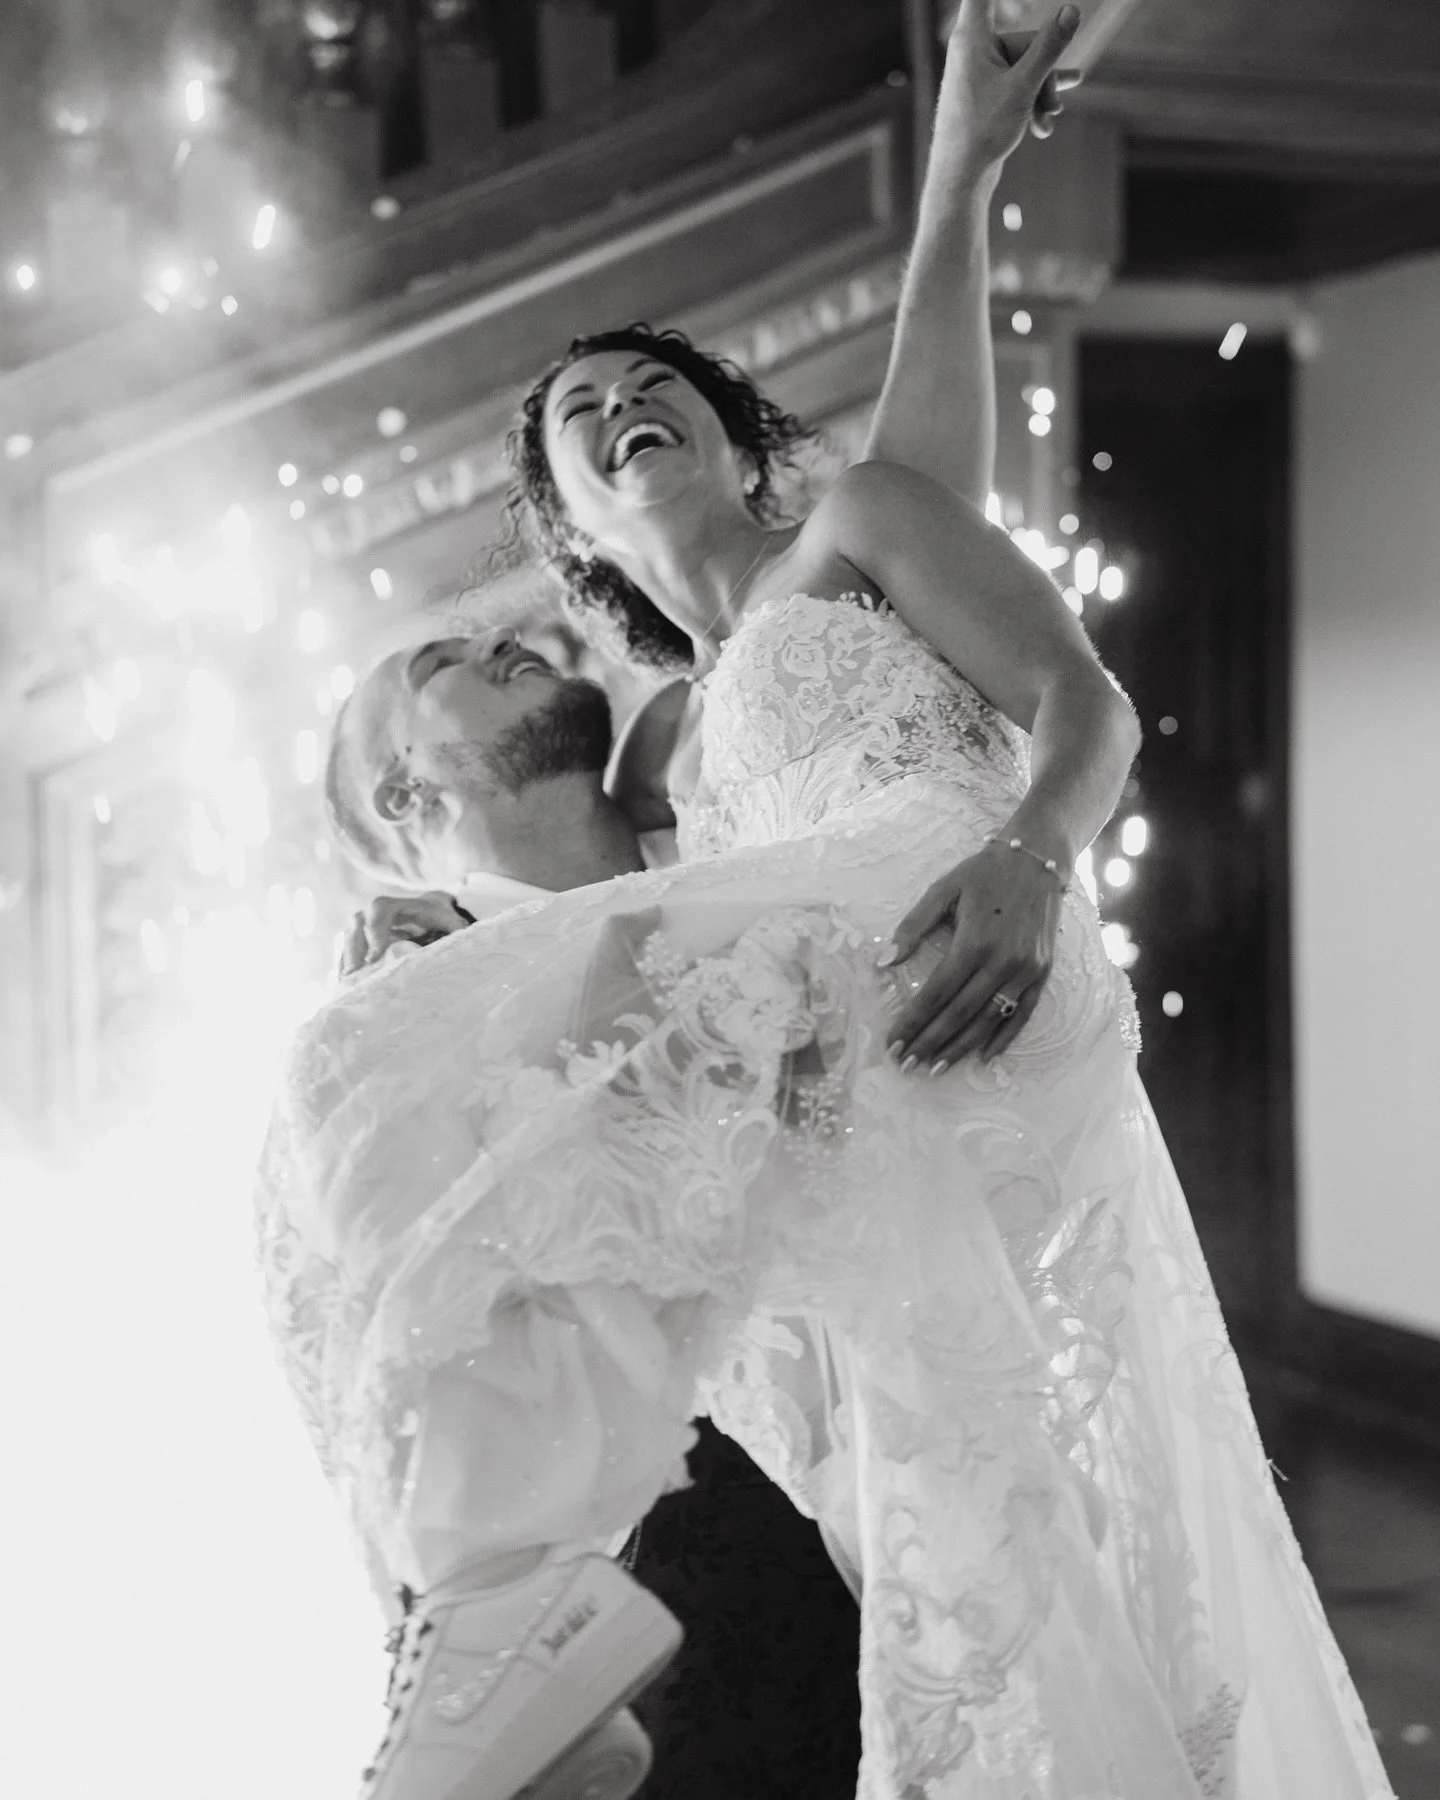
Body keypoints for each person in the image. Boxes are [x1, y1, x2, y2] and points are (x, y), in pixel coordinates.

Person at [258, 13, 1396, 1800]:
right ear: (567, 528)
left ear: (728, 436)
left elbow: (1089, 708)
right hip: (861, 1045)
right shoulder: (662, 756)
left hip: (974, 943)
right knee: (370, 1087)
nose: (623, 408)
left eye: (657, 390)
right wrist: (447, 931)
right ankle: (505, 1595)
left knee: (390, 1063)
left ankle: (507, 1607)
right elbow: (616, 965)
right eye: (576, 418)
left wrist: (1033, 865)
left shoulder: (862, 524)